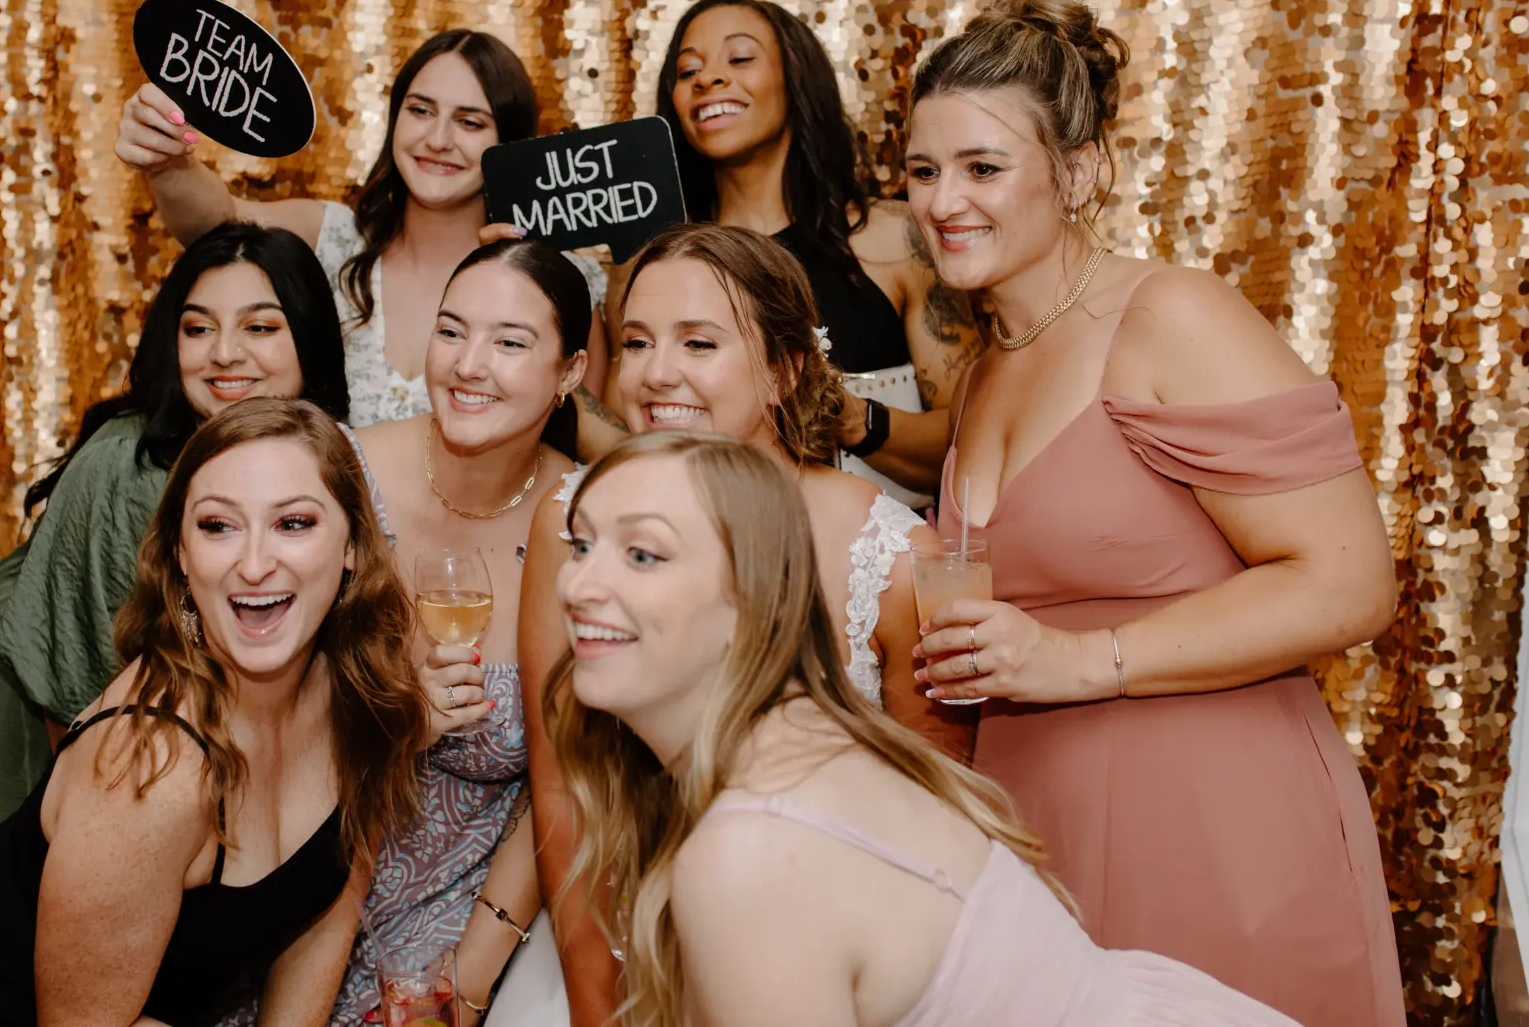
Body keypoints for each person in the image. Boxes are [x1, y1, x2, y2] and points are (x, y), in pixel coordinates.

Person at [906, 0, 1403, 1025]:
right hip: (1037, 828)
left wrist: (1084, 659)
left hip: (1213, 826)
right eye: (921, 170)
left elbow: (1351, 582)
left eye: (983, 167)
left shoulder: (1168, 316)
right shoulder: (989, 362)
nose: (943, 200)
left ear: (1079, 171)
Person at [544, 428, 1301, 1027]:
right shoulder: (815, 732)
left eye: (642, 553)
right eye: (581, 544)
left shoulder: (749, 853)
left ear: (755, 598)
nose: (580, 585)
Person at [0, 399, 430, 1027]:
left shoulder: (359, 690)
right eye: (217, 526)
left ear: (352, 546)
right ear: (181, 556)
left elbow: (327, 907)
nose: (256, 563)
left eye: (293, 523)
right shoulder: (155, 768)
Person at [519, 223, 958, 1025]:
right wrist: (595, 994)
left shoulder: (889, 557)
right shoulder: (571, 523)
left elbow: (939, 821)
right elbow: (561, 787)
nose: (658, 374)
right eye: (639, 340)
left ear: (785, 368)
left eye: (699, 342)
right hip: (625, 952)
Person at [0, 223, 350, 867]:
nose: (225, 354)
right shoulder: (130, 471)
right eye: (198, 329)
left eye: (260, 328)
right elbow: (81, 700)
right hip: (36, 700)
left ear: (308, 344)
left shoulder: (319, 454)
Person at [260, 238, 592, 1026]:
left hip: (462, 899)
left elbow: (562, 782)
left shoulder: (586, 524)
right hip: (289, 871)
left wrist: (466, 978)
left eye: (510, 342)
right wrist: (395, 724)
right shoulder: (335, 475)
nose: (469, 364)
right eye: (452, 330)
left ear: (571, 373)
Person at [115, 29, 609, 427]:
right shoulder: (331, 239)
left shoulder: (563, 280)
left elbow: (586, 439)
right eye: (420, 111)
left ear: (510, 141)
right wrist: (169, 161)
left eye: (470, 122)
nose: (437, 139)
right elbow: (213, 222)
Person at [642, 0, 976, 499]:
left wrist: (850, 417)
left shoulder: (891, 238)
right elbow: (627, 445)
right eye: (687, 71)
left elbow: (970, 439)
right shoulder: (659, 263)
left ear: (795, 79)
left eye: (739, 58)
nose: (707, 80)